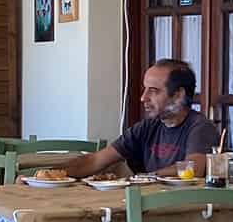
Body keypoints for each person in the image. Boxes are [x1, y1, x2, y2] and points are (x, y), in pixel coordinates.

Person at [61, 61, 219, 179]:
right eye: (145, 89)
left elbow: (193, 169)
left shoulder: (200, 127)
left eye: (153, 91)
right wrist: (54, 175)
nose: (143, 98)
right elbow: (96, 160)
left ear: (178, 94)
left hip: (185, 214)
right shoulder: (146, 127)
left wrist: (143, 178)